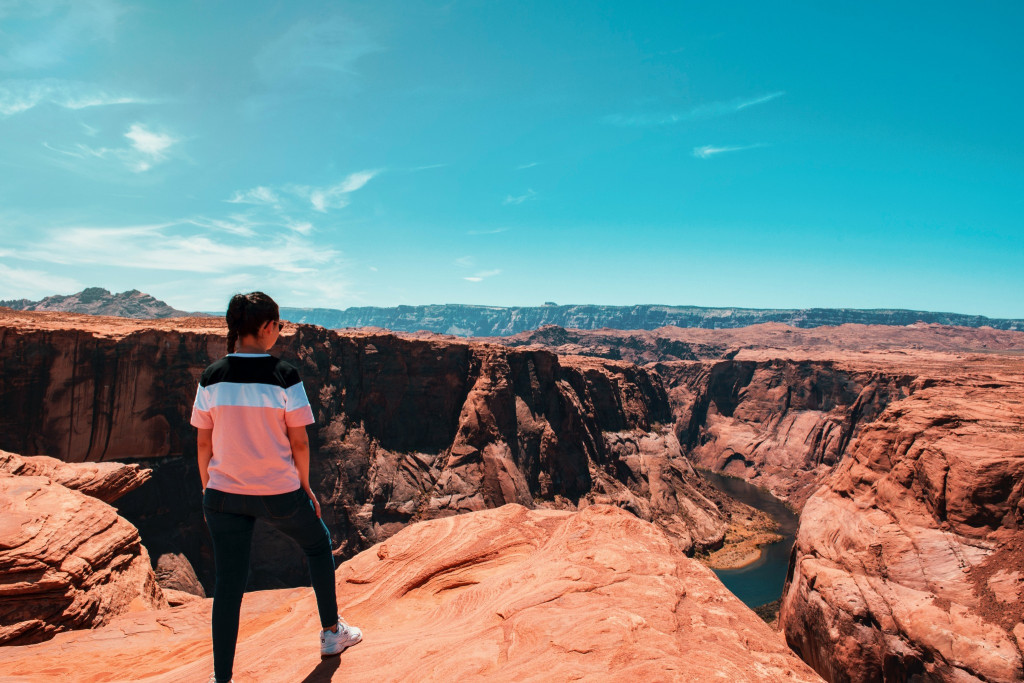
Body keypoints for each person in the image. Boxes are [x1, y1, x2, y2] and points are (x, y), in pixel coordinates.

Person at [190, 291, 361, 683]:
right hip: (278, 493)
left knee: (229, 583)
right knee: (317, 545)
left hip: (223, 496)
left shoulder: (212, 376)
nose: (279, 332)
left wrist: (207, 491)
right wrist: (304, 487)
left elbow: (203, 442)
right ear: (267, 327)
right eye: (279, 325)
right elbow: (299, 441)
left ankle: (222, 678)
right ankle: (332, 634)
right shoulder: (284, 375)